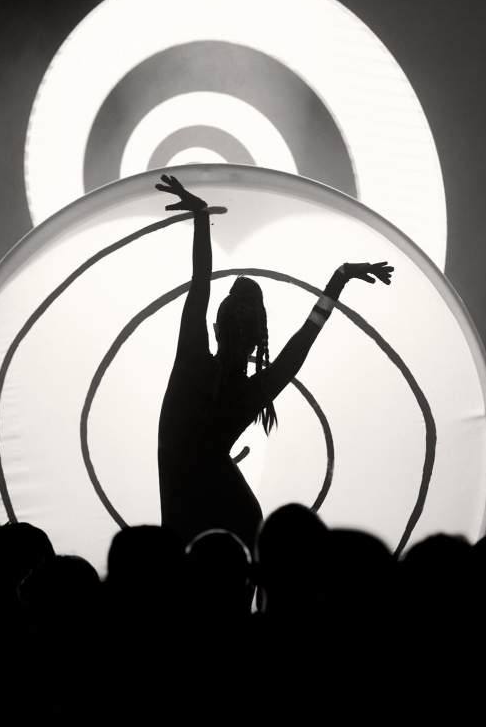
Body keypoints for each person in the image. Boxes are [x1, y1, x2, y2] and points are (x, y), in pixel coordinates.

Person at [155, 173, 393, 549]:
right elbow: (305, 338)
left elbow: (200, 283)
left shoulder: (192, 360)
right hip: (238, 522)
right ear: (258, 340)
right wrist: (340, 278)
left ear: (216, 326)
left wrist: (200, 218)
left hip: (191, 521)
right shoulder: (252, 391)